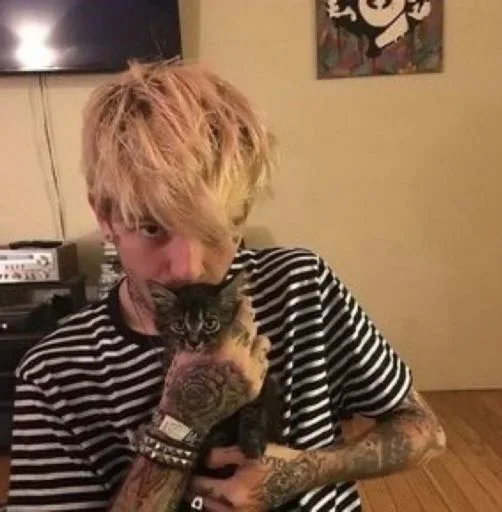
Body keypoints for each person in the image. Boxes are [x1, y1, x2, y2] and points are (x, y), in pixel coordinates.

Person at [7, 59, 446, 512]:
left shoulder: (301, 286)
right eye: (152, 228)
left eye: (213, 231)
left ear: (242, 216)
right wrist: (179, 421)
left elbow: (426, 431)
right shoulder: (54, 372)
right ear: (104, 216)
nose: (187, 269)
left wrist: (304, 471)